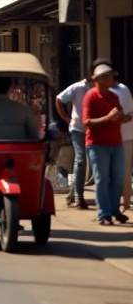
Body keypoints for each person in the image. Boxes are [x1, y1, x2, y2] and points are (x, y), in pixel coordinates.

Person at [83, 61, 131, 225]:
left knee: (118, 178)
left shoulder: (114, 96)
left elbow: (118, 116)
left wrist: (125, 118)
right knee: (102, 179)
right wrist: (108, 118)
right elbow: (87, 121)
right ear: (99, 79)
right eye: (108, 76)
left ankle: (114, 210)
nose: (112, 79)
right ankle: (104, 215)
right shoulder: (90, 96)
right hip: (97, 145)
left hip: (115, 143)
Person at [55, 74, 94, 208]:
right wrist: (66, 118)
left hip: (94, 129)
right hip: (77, 129)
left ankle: (74, 190)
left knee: (91, 161)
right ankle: (78, 196)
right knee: (81, 159)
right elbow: (59, 99)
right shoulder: (77, 88)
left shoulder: (98, 89)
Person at [112, 74, 133, 216]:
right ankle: (124, 202)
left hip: (123, 137)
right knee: (123, 171)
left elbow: (127, 115)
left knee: (123, 172)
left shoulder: (120, 91)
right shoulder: (123, 90)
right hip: (122, 137)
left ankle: (125, 203)